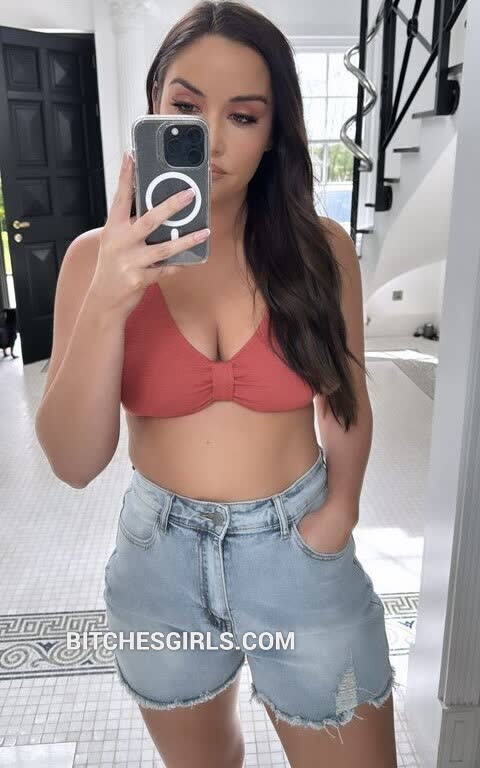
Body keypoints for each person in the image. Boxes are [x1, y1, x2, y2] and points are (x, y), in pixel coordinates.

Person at [35, 1, 399, 765]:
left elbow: (346, 400)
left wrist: (340, 512)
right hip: (159, 564)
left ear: (273, 132)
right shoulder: (91, 260)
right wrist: (107, 302)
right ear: (153, 106)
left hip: (299, 549)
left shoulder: (322, 249)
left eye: (243, 115)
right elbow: (74, 463)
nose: (213, 139)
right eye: (186, 108)